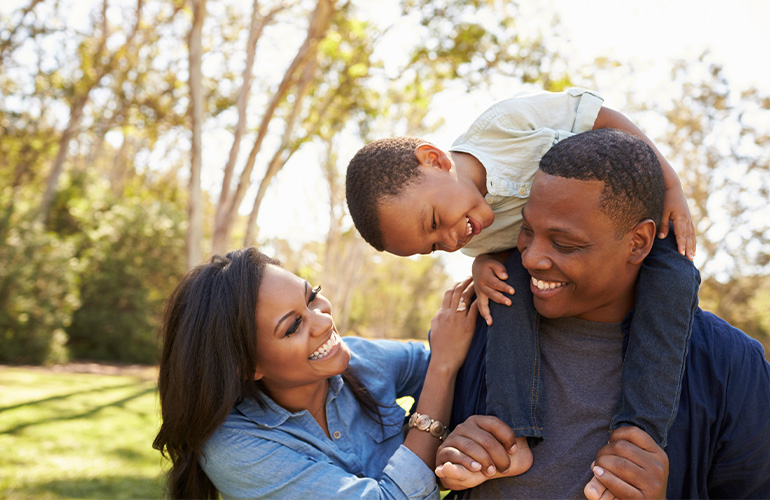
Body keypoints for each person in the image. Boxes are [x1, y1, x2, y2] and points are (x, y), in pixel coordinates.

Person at [345, 87, 700, 467]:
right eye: (433, 246)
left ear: (433, 160)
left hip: (626, 223)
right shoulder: (470, 235)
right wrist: (482, 264)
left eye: (434, 222)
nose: (449, 241)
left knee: (676, 277)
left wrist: (670, 185)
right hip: (551, 262)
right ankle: (511, 436)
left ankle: (638, 437)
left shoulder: (503, 126)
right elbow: (508, 249)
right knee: (503, 292)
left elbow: (603, 119)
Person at [433, 129, 770, 498]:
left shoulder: (731, 366)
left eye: (565, 244)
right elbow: (410, 461)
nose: (530, 258)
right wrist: (448, 454)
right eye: (527, 230)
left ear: (638, 242)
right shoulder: (479, 326)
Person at [152, 247, 518, 499]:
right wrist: (442, 368)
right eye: (293, 326)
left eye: (312, 297)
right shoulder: (236, 449)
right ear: (248, 367)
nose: (324, 320)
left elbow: (468, 371)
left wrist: (488, 266)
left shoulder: (360, 359)